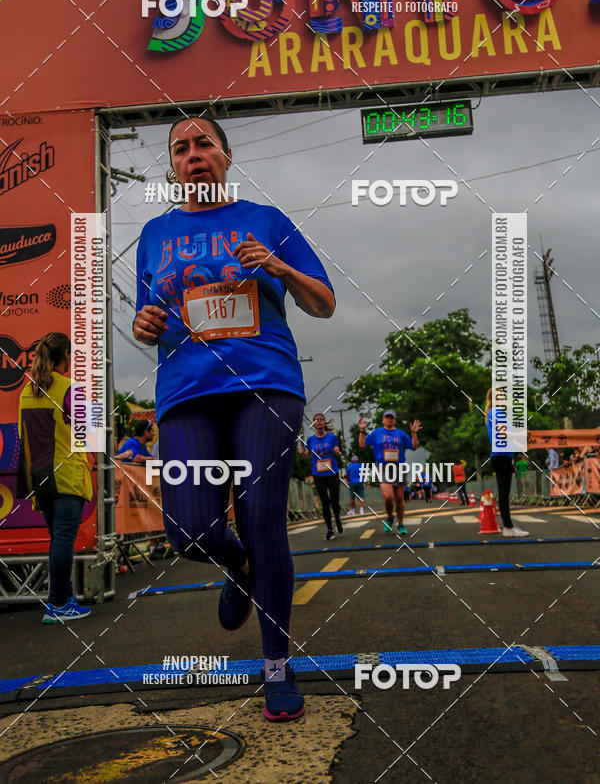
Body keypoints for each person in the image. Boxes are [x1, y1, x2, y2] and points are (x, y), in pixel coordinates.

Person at [133, 116, 335, 721]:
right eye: (181, 149)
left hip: (264, 384)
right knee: (189, 531)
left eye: (203, 144)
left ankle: (276, 667)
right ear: (172, 165)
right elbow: (156, 313)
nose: (193, 155)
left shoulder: (267, 220)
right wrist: (147, 325)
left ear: (225, 156)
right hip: (187, 391)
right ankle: (237, 564)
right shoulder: (154, 232)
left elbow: (323, 303)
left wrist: (281, 268)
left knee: (263, 516)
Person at [17, 333, 93, 623]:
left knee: (57, 539)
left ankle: (65, 599)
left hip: (39, 475)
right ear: (65, 357)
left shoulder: (27, 390)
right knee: (63, 539)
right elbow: (85, 431)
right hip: (66, 473)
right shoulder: (70, 388)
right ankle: (58, 604)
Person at [358, 410, 422, 534]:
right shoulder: (377, 433)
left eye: (391, 417)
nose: (389, 419)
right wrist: (361, 431)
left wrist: (414, 433)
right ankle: (390, 517)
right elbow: (362, 444)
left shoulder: (400, 434)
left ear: (394, 420)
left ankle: (401, 524)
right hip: (383, 467)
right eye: (387, 417)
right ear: (383, 419)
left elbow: (414, 446)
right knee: (388, 497)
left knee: (399, 498)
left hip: (399, 467)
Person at [484, 389, 528, 537]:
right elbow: (503, 433)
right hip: (501, 456)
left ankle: (508, 526)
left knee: (504, 492)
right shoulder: (496, 412)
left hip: (502, 455)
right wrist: (521, 434)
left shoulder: (494, 412)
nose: (503, 399)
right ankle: (508, 527)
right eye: (500, 397)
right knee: (504, 493)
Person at [304, 413, 343, 539]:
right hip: (318, 475)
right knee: (325, 502)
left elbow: (337, 450)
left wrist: (337, 452)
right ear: (314, 424)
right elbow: (307, 455)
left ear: (324, 423)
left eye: (321, 420)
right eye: (316, 420)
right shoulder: (310, 440)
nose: (319, 422)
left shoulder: (331, 437)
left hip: (332, 473)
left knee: (334, 500)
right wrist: (304, 453)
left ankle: (337, 517)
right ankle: (330, 529)